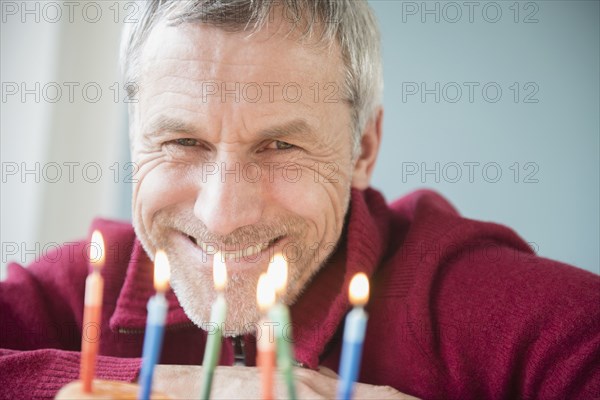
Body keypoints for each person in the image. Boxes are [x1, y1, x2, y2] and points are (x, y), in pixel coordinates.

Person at [1, 1, 598, 399]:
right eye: (182, 141)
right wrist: (197, 388)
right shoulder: (85, 287)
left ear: (362, 150)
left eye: (281, 145)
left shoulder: (456, 298)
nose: (221, 215)